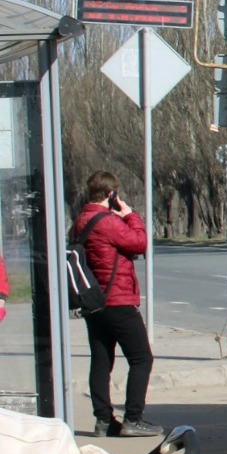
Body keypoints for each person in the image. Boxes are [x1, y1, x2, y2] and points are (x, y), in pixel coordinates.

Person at [73, 172, 162, 438]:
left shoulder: (81, 220)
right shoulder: (107, 222)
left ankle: (103, 421)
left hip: (94, 301)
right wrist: (130, 214)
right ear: (111, 195)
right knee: (141, 358)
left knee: (101, 360)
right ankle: (133, 419)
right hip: (118, 301)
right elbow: (139, 242)